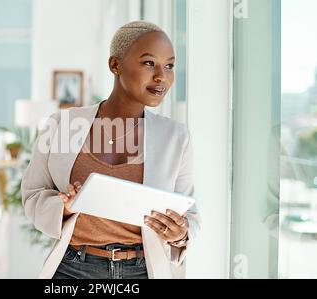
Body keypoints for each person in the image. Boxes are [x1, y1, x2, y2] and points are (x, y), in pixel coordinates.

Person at [21, 21, 201, 279]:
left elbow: (190, 214)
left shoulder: (176, 137)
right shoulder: (62, 125)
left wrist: (180, 233)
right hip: (73, 268)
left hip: (143, 271)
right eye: (149, 63)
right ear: (115, 65)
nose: (162, 76)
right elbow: (32, 195)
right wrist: (66, 207)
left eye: (169, 65)